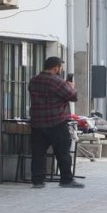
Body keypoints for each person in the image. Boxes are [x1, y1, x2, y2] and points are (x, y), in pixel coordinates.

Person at [28, 56, 82, 188]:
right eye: (60, 67)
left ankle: (38, 180)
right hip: (56, 121)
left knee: (38, 153)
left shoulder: (33, 80)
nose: (61, 70)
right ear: (56, 67)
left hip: (37, 122)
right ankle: (66, 179)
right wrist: (71, 87)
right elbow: (73, 96)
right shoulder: (57, 82)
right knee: (62, 152)